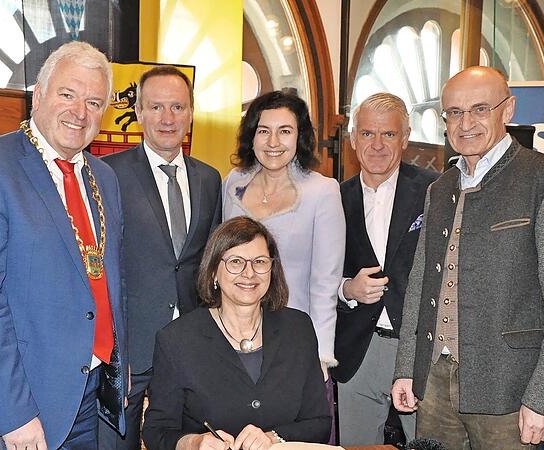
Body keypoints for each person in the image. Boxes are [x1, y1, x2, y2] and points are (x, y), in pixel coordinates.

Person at [0, 41, 128, 449]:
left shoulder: (106, 178)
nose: (80, 112)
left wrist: (120, 370)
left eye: (94, 102)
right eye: (68, 94)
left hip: (95, 394)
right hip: (30, 403)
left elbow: (111, 282)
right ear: (39, 94)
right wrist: (14, 413)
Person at [392, 66, 544, 449]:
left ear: (508, 110)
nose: (466, 123)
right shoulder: (440, 188)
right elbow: (419, 285)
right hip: (433, 383)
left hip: (509, 389)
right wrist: (406, 369)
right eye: (455, 112)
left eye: (480, 109)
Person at [99, 65, 221, 450]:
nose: (167, 119)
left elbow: (207, 263)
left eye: (177, 107)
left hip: (192, 342)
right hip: (132, 345)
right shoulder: (106, 174)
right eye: (155, 107)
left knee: (190, 441)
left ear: (190, 113)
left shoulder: (209, 178)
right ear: (137, 112)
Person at [143, 216, 332, 450]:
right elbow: (157, 431)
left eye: (260, 262)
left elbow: (320, 423)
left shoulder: (299, 328)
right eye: (235, 262)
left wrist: (273, 437)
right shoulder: (176, 340)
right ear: (213, 271)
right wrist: (195, 442)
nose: (249, 273)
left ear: (272, 269)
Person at [222, 90, 344, 439]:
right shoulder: (234, 184)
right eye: (264, 130)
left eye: (285, 131)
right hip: (234, 341)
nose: (273, 141)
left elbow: (326, 283)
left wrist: (320, 356)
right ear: (251, 135)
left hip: (294, 342)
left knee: (287, 438)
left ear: (300, 136)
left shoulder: (324, 192)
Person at [332, 93, 437, 446]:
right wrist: (347, 288)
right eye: (367, 134)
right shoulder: (333, 198)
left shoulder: (435, 190)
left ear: (405, 139)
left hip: (421, 352)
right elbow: (317, 274)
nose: (377, 145)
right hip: (358, 350)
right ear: (352, 140)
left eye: (388, 135)